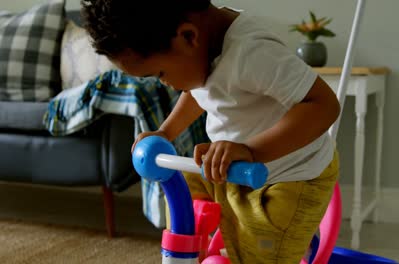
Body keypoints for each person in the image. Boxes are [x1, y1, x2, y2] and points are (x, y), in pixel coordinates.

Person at [81, 0, 340, 263]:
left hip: (291, 176)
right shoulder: (201, 48)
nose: (167, 85)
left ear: (188, 36)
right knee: (183, 184)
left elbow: (325, 105)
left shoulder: (253, 52)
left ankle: (294, 243)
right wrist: (165, 133)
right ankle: (190, 250)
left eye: (160, 73)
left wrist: (251, 151)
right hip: (238, 169)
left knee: (255, 255)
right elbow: (199, 92)